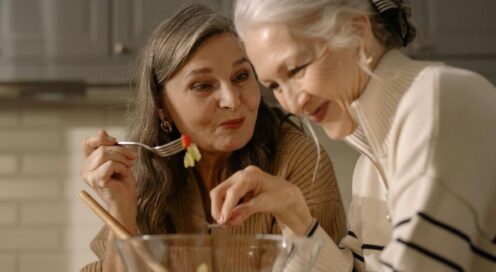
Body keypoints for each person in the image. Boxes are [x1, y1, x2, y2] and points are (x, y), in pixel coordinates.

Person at [209, 0, 496, 271]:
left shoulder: (439, 102)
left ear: (356, 31)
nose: (291, 103)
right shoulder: (372, 163)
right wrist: (294, 212)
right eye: (274, 86)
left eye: (295, 70)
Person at [78, 4, 346, 272]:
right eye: (203, 85)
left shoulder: (298, 158)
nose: (231, 100)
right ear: (161, 106)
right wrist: (121, 208)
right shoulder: (138, 174)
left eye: (241, 76)